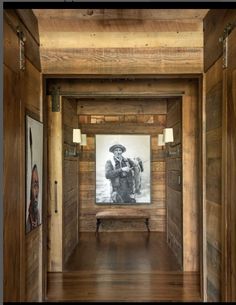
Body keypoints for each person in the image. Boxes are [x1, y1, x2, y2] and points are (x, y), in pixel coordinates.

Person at [26, 164, 40, 233]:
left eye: (37, 185)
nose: (37, 190)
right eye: (34, 185)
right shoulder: (28, 218)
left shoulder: (37, 213)